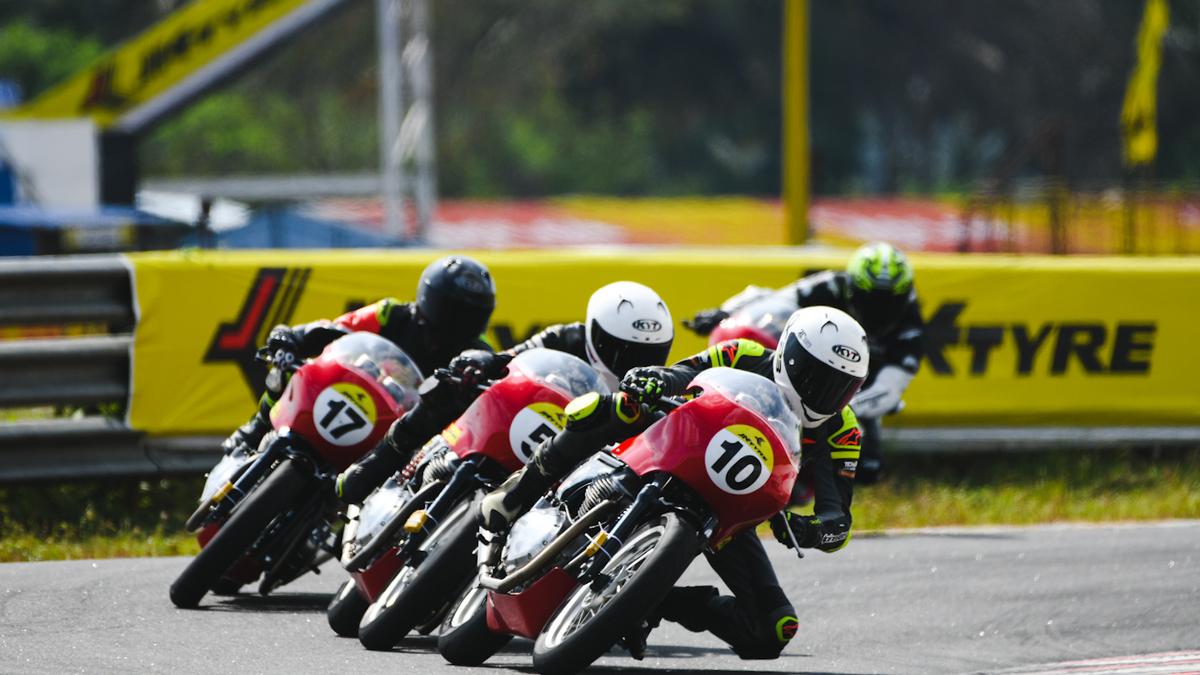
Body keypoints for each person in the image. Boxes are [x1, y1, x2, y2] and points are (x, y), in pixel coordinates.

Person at [481, 306, 869, 660]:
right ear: (790, 355)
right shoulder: (744, 354)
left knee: (772, 628)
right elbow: (686, 372)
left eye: (842, 386)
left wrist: (812, 530)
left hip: (728, 509)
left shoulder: (844, 431)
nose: (826, 393)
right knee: (616, 407)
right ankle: (515, 495)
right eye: (817, 376)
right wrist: (657, 378)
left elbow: (838, 518)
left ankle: (653, 599)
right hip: (672, 442)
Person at [334, 280, 675, 504]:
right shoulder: (564, 337)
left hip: (567, 466)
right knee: (449, 390)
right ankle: (379, 463)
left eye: (650, 354)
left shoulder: (648, 388)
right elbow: (510, 357)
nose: (635, 362)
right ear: (595, 333)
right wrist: (483, 362)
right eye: (622, 349)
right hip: (522, 418)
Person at [684, 241, 922, 483]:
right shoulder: (831, 285)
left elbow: (889, 389)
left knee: (867, 466)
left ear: (905, 297)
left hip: (854, 394)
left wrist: (835, 410)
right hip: (810, 370)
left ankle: (808, 487)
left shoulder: (911, 328)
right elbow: (774, 298)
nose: (879, 309)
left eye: (889, 302)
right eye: (872, 299)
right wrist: (725, 313)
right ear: (853, 287)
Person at [220, 255, 497, 458]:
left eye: (467, 314)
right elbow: (335, 330)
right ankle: (257, 429)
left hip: (401, 436)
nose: (455, 321)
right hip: (350, 395)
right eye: (451, 309)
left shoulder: (479, 355)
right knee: (293, 370)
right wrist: (294, 338)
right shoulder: (391, 313)